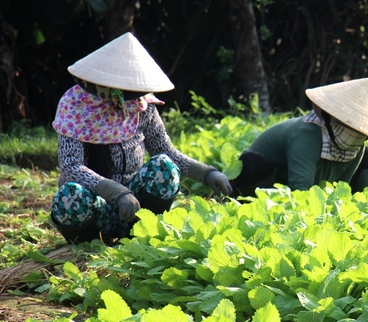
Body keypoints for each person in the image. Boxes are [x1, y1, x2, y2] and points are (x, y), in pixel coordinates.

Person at [50, 32, 232, 244]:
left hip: (134, 207)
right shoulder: (75, 107)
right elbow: (72, 168)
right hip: (97, 205)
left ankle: (140, 233)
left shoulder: (142, 107)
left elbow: (166, 151)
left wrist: (206, 173)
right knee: (69, 196)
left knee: (164, 166)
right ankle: (94, 244)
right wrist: (116, 192)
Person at [230, 77, 368, 196]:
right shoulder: (307, 136)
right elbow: (300, 190)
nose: (356, 135)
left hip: (309, 187)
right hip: (268, 181)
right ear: (331, 118)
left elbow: (341, 190)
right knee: (251, 164)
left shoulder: (357, 147)